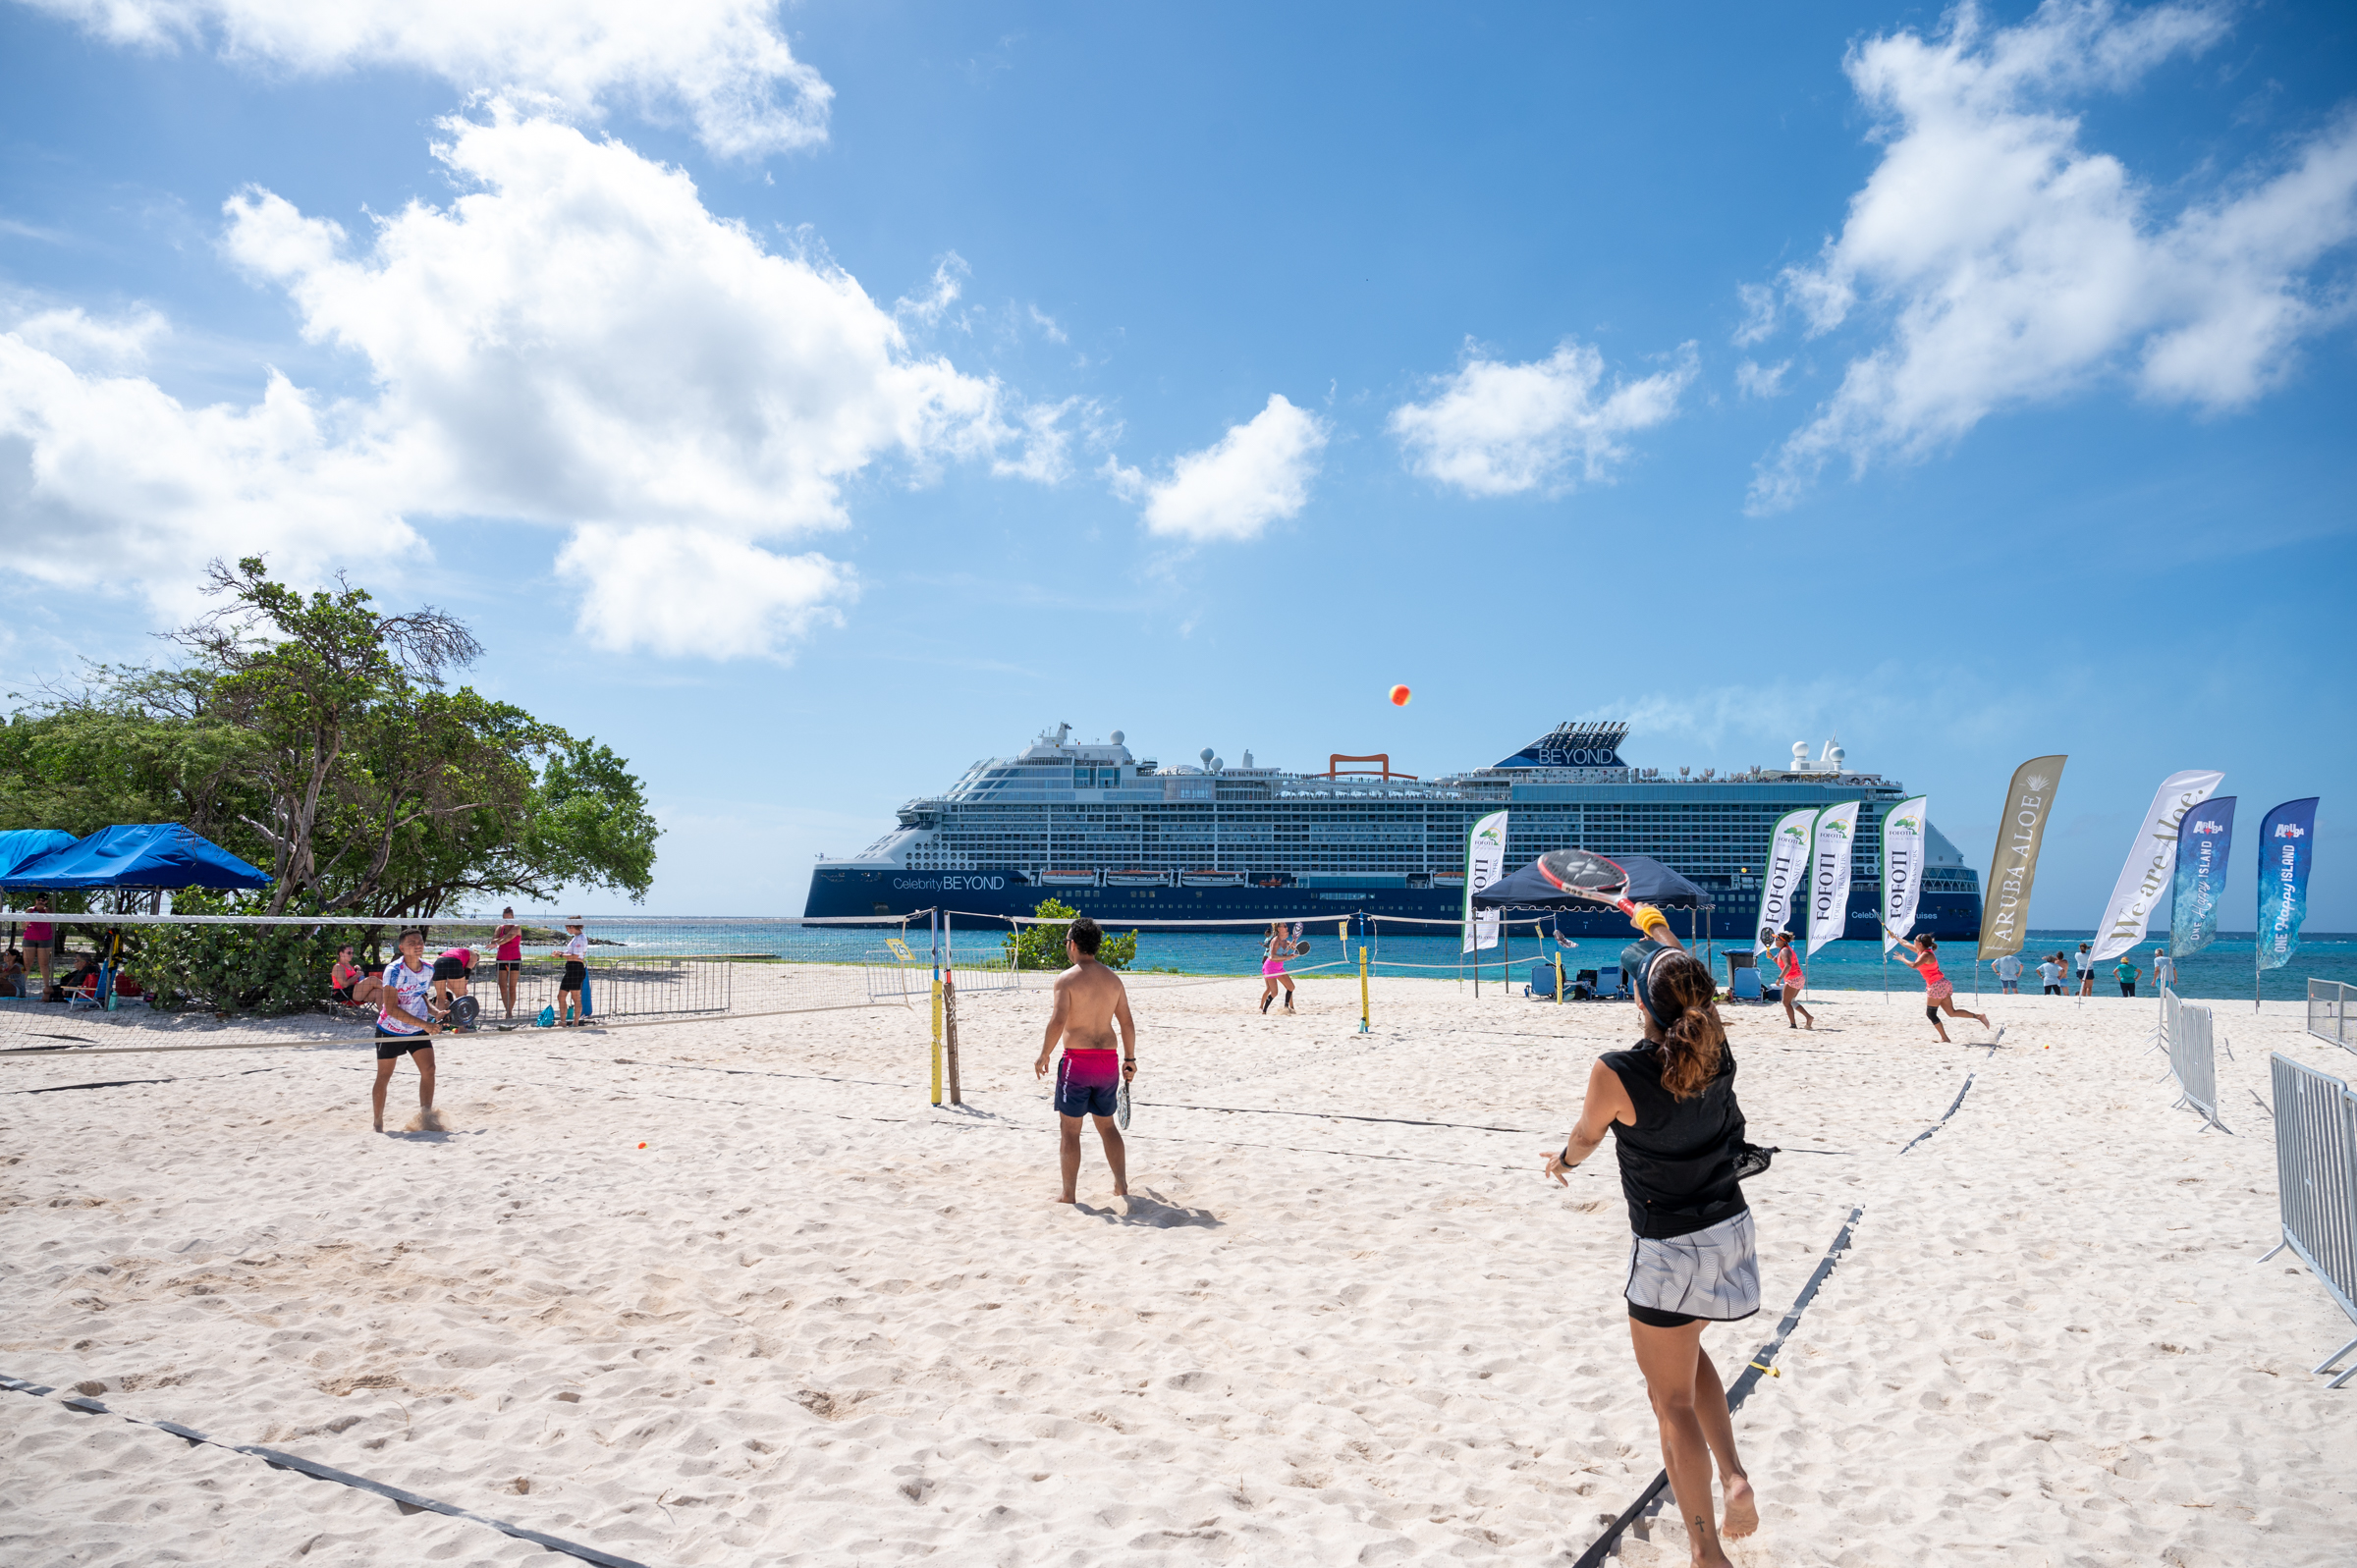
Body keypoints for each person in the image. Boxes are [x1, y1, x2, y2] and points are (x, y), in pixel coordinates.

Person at [1544, 908, 1758, 1568]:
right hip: (1729, 1230)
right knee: (1686, 1358)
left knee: (1669, 1401)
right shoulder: (1715, 1040)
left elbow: (1586, 1134)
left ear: (1637, 998)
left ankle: (1705, 1549)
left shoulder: (1618, 1069)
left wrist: (1565, 1161)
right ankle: (1733, 1475)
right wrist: (1658, 927)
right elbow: (1687, 979)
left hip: (1669, 1250)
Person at [1033, 916, 1138, 1205]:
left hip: (1078, 1063)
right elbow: (1127, 1023)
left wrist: (1044, 1053)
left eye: (1067, 941)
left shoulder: (1066, 979)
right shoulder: (1113, 980)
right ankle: (1121, 1185)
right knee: (1107, 1126)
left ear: (1074, 944)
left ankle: (1069, 1194)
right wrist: (1130, 1059)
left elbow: (1058, 1021)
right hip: (1107, 1060)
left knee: (1070, 1129)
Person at [369, 929, 443, 1132]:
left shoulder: (428, 969)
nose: (417, 945)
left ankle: (426, 1118)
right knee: (384, 1076)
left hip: (417, 1029)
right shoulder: (394, 971)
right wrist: (426, 1025)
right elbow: (392, 1009)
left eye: (420, 942)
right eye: (412, 943)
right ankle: (377, 1122)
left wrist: (435, 1012)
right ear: (401, 948)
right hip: (390, 1029)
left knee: (429, 1070)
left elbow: (421, 994)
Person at [1891, 934, 1994, 1043]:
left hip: (1936, 986)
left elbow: (1914, 965)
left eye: (1915, 940)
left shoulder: (1926, 955)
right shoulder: (1921, 951)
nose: (1913, 941)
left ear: (1920, 943)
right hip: (1942, 983)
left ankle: (1945, 1038)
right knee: (1951, 1013)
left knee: (1930, 1014)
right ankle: (1979, 1016)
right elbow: (1905, 943)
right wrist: (1895, 936)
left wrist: (1903, 959)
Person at [1763, 930, 1811, 1030]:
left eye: (1776, 939)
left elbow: (1788, 966)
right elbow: (1783, 964)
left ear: (1782, 941)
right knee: (1791, 1001)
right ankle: (1808, 1017)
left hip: (1793, 979)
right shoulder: (1785, 950)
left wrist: (1779, 978)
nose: (1775, 941)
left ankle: (1793, 1025)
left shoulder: (1785, 951)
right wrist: (1772, 957)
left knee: (1785, 1002)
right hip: (1799, 977)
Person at [1258, 920, 1302, 1014]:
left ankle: (1286, 1008)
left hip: (1279, 967)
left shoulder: (1285, 941)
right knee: (1274, 992)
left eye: (1286, 926)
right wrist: (1286, 958)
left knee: (1291, 987)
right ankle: (1264, 1010)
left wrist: (1293, 946)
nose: (1286, 927)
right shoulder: (1275, 941)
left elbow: (1293, 947)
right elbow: (1272, 956)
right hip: (1270, 967)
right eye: (1284, 926)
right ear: (1279, 929)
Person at [555, 916, 588, 1026]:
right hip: (570, 969)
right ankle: (563, 1021)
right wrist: (561, 953)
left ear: (572, 926)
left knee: (575, 997)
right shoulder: (575, 938)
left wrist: (560, 955)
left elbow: (575, 957)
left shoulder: (581, 938)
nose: (566, 930)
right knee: (561, 996)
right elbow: (571, 954)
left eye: (567, 927)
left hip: (576, 970)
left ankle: (576, 1022)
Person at [22, 896, 54, 1003]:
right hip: (29, 938)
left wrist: (45, 909)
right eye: (39, 899)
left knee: (44, 964)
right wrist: (29, 916)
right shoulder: (30, 910)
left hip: (45, 939)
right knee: (26, 964)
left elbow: (51, 920)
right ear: (35, 900)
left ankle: (47, 988)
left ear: (46, 901)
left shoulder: (48, 910)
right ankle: (22, 988)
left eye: (43, 900)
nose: (41, 901)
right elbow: (23, 926)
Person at [493, 907, 523, 1019]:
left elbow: (507, 938)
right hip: (501, 958)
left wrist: (499, 941)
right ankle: (508, 1010)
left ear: (513, 917)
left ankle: (509, 1012)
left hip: (514, 959)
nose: (507, 921)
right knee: (502, 986)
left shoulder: (516, 927)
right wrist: (499, 941)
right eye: (505, 919)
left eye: (509, 918)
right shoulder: (499, 928)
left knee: (512, 987)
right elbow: (493, 940)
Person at [432, 943, 474, 1019]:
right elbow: (467, 972)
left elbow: (449, 985)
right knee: (461, 997)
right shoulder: (474, 955)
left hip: (438, 962)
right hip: (454, 962)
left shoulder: (459, 951)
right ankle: (462, 1028)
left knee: (440, 998)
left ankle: (438, 1026)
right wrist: (463, 989)